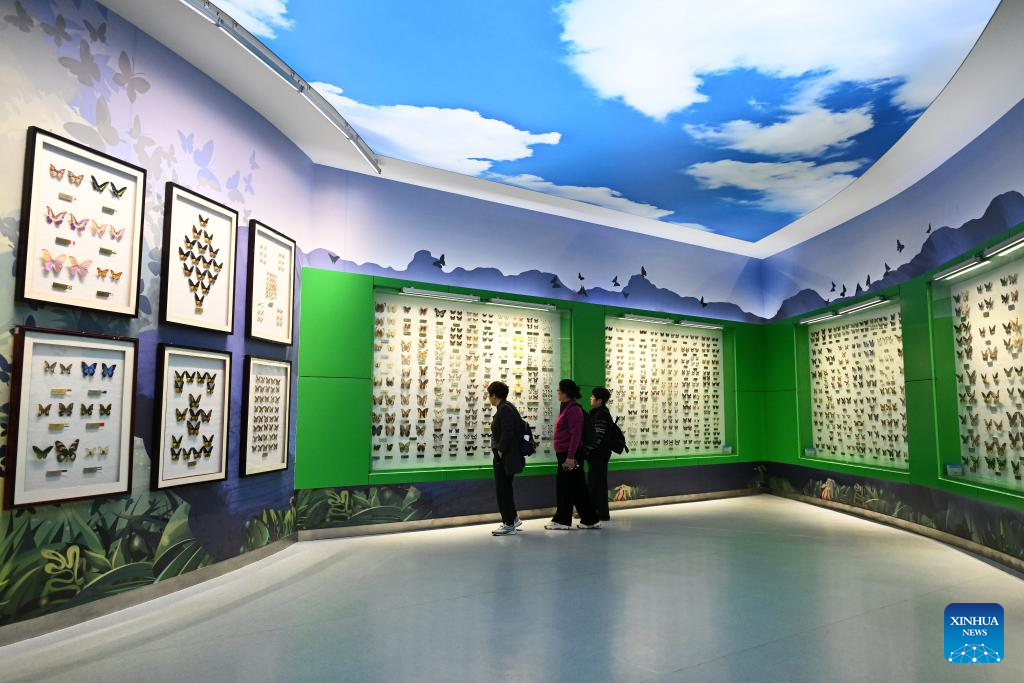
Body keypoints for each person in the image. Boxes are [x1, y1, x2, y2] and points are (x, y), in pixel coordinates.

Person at [546, 379, 601, 530]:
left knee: (565, 487)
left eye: (559, 390)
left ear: (565, 393)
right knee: (577, 487)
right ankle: (590, 519)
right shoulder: (566, 408)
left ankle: (562, 520)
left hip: (570, 455)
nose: (557, 392)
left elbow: (575, 435)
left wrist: (570, 457)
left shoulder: (573, 410)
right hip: (566, 454)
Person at [488, 381, 524, 536]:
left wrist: (501, 451)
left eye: (489, 395)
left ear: (494, 395)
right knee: (506, 488)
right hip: (508, 456)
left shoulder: (504, 409)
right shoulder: (507, 407)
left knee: (502, 490)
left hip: (505, 457)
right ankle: (513, 518)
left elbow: (507, 432)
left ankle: (508, 524)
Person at [584, 387, 613, 522]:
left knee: (597, 483)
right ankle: (596, 511)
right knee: (595, 482)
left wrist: (588, 448)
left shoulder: (601, 414)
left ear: (599, 400)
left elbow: (598, 437)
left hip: (598, 454)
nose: (590, 398)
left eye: (593, 396)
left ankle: (600, 513)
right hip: (599, 454)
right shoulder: (600, 412)